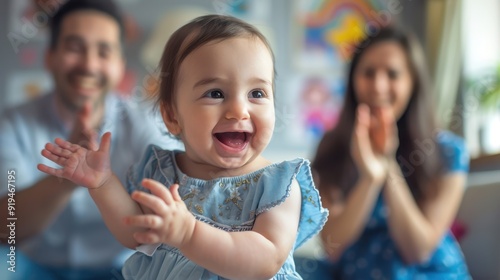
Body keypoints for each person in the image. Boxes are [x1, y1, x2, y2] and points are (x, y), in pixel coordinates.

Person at [37, 14, 329, 280]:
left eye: (257, 93)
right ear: (172, 116)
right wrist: (102, 184)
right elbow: (138, 233)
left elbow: (266, 261)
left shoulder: (278, 184)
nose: (239, 110)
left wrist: (189, 233)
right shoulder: (162, 172)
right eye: (215, 93)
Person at [0, 0, 182, 279]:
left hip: (119, 269)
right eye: (75, 48)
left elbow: (176, 203)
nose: (89, 65)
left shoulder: (146, 126)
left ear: (120, 66)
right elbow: (6, 226)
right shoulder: (12, 124)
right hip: (29, 265)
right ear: (50, 57)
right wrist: (66, 176)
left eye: (104, 51)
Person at [306, 26, 470, 279]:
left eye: (392, 74)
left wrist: (388, 163)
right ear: (353, 80)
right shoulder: (331, 147)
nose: (378, 87)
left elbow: (418, 250)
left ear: (412, 82)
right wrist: (370, 177)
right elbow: (332, 246)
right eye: (368, 73)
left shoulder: (449, 152)